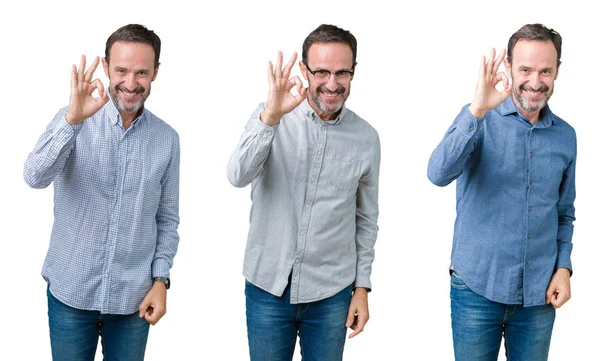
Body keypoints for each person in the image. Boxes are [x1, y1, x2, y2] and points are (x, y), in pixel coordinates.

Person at [24, 24, 180, 361]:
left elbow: (166, 219)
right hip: (71, 296)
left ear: (155, 73)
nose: (131, 82)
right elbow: (34, 177)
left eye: (142, 72)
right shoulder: (74, 120)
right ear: (106, 67)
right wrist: (71, 122)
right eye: (121, 70)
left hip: (132, 302)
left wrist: (161, 280)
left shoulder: (167, 139)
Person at [227, 24, 380, 360]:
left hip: (331, 293)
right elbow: (237, 175)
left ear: (353, 73)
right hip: (268, 287)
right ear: (303, 71)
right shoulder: (272, 116)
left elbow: (366, 219)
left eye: (342, 73)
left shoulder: (367, 139)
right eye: (322, 71)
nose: (332, 83)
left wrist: (361, 288)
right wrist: (270, 116)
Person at [427, 23, 576, 361]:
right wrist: (476, 111)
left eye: (545, 71)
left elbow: (564, 213)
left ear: (557, 72)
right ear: (507, 67)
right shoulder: (478, 119)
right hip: (476, 291)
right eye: (525, 69)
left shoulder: (566, 136)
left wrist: (563, 268)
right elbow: (437, 174)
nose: (535, 82)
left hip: (538, 296)